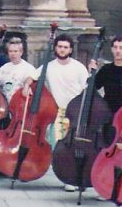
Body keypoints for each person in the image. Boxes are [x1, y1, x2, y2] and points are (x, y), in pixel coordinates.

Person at [21, 33, 88, 192]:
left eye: (65, 47)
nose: (62, 50)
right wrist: (26, 86)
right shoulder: (48, 66)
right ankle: (66, 178)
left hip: (75, 111)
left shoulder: (79, 67)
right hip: (57, 111)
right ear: (55, 48)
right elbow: (31, 77)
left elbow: (86, 89)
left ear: (70, 49)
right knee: (59, 146)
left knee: (75, 145)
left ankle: (75, 178)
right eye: (60, 46)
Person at [92, 36, 122, 113]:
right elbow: (94, 86)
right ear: (112, 49)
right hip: (107, 112)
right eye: (115, 47)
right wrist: (91, 73)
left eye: (121, 48)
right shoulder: (106, 69)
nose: (117, 51)